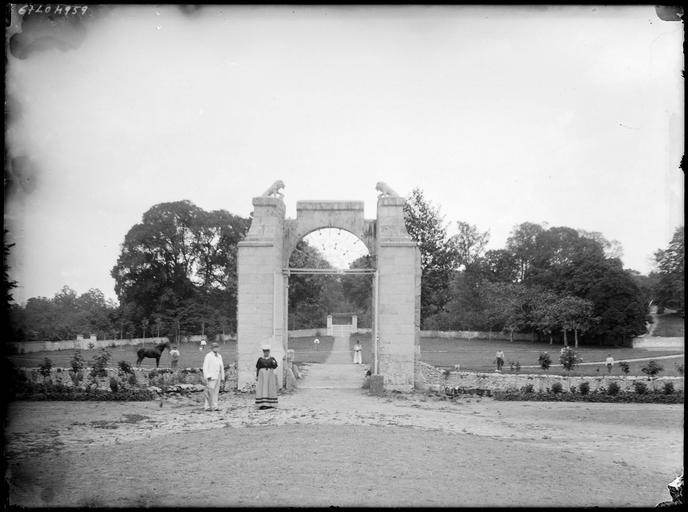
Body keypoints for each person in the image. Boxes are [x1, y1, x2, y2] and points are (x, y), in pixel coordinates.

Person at [202, 342, 225, 411]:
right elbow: (205, 367)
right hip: (211, 377)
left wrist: (223, 377)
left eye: (217, 347)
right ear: (211, 348)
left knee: (216, 392)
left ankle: (215, 406)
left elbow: (222, 367)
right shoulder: (208, 356)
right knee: (209, 392)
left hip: (218, 375)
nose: (216, 348)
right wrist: (207, 375)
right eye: (214, 347)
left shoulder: (219, 356)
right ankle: (207, 406)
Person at [256, 345, 278, 409]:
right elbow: (258, 368)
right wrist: (257, 375)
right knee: (262, 388)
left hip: (269, 375)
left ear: (269, 352)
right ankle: (262, 403)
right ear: (263, 352)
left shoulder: (272, 359)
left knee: (269, 387)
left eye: (267, 351)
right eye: (265, 351)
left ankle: (270, 403)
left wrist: (274, 363)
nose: (266, 353)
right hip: (262, 375)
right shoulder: (260, 359)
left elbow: (275, 366)